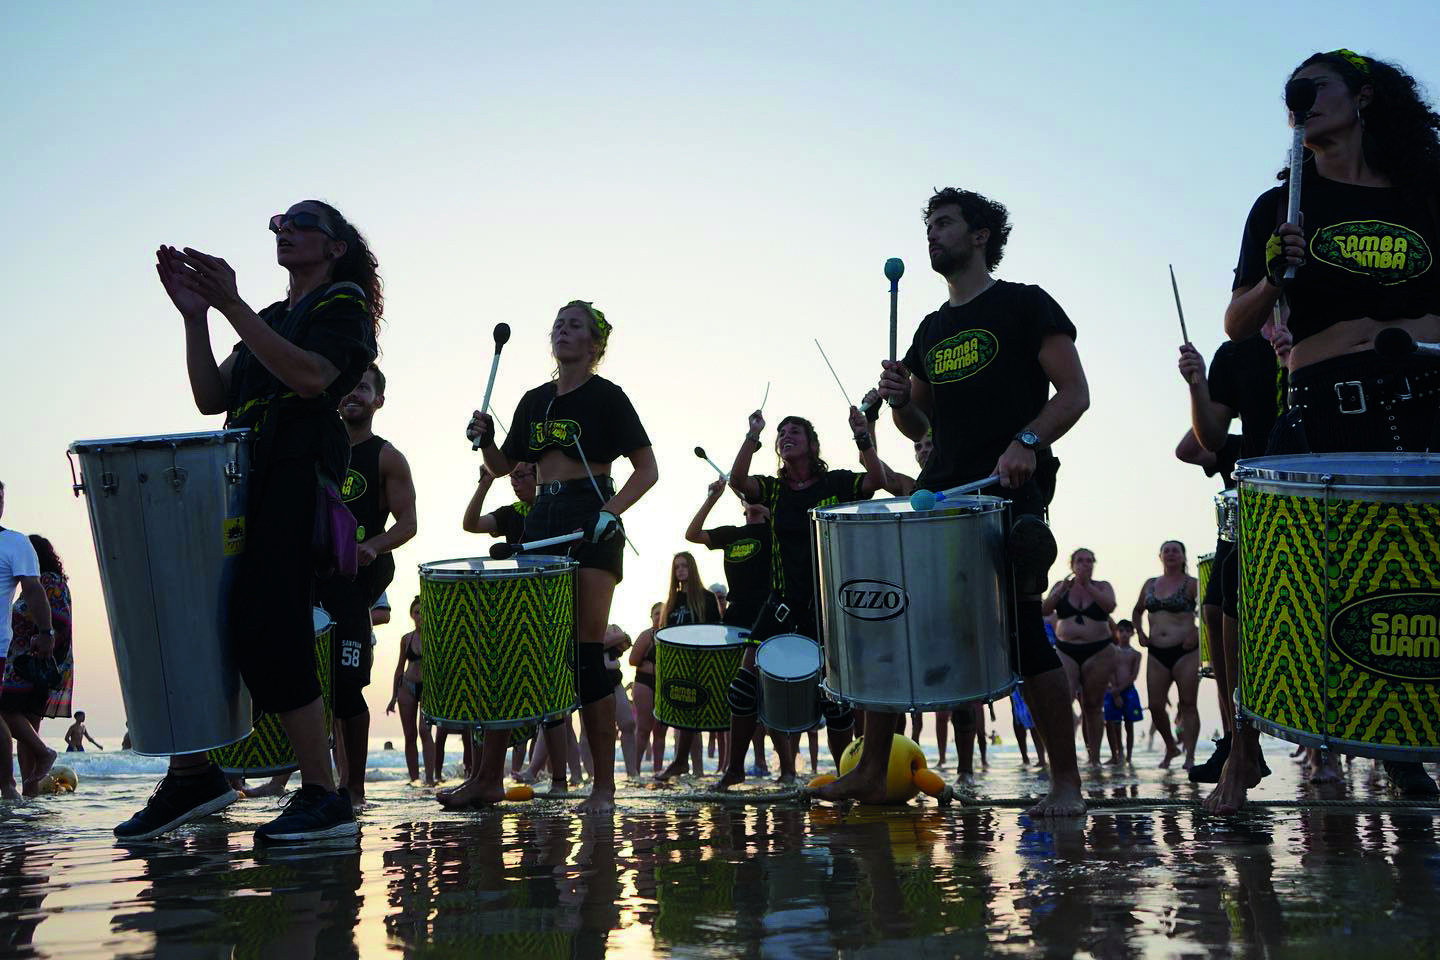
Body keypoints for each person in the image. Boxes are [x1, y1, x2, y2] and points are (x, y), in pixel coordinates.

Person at [820, 188, 1091, 816]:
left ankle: (1066, 783)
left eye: (944, 224)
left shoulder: (1024, 304)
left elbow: (1074, 394)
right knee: (893, 617)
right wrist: (900, 402)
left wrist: (1027, 440)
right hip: (942, 491)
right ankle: (867, 771)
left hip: (1010, 492)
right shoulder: (929, 329)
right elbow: (921, 428)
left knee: (1023, 634)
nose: (933, 235)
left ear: (980, 235)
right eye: (929, 227)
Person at [1217, 49, 1440, 809]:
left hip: (1421, 399)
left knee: (1414, 584)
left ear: (1364, 97)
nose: (1302, 101)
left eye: (1317, 87)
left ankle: (1409, 740)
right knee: (1282, 581)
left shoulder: (1422, 194)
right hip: (1321, 404)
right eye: (1294, 93)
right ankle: (1245, 749)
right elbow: (1238, 323)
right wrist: (1277, 275)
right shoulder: (1279, 206)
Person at [120, 200, 379, 843]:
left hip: (294, 473)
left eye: (300, 224)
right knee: (209, 623)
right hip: (241, 482)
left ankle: (323, 792)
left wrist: (231, 304)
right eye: (278, 225)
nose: (284, 233)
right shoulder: (270, 317)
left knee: (274, 620)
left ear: (335, 246)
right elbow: (212, 395)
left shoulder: (340, 306)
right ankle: (193, 775)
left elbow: (312, 377)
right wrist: (195, 317)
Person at [458, 299, 658, 814]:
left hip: (591, 515)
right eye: (558, 324)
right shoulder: (534, 399)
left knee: (587, 652)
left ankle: (604, 788)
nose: (563, 331)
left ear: (595, 344)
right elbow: (507, 465)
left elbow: (646, 469)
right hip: (542, 516)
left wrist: (610, 512)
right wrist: (484, 441)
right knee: (516, 647)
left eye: (575, 326)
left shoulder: (607, 396)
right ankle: (486, 780)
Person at [716, 406, 886, 788]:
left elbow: (876, 479)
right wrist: (753, 434)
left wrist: (863, 436)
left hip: (829, 604)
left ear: (811, 445)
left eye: (795, 431)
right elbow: (739, 480)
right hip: (780, 601)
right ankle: (734, 770)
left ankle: (846, 775)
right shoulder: (773, 490)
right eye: (781, 433)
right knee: (743, 685)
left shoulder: (836, 483)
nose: (786, 436)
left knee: (835, 696)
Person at [1177, 317, 1289, 784]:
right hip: (1249, 511)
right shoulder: (1237, 353)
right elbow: (1196, 445)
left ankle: (1331, 751)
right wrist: (1199, 387)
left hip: (1308, 491)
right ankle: (1238, 743)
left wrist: (1292, 361)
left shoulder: (1326, 329)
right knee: (1219, 600)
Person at [313, 362, 417, 805]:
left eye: (363, 387)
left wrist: (373, 546)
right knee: (312, 683)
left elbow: (408, 524)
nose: (353, 394)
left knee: (346, 685)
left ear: (378, 400)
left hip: (356, 580)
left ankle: (353, 789)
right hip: (313, 575)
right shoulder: (317, 447)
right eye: (348, 386)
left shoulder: (387, 456)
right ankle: (317, 782)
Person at [685, 478, 790, 783]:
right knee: (739, 694)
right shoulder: (732, 535)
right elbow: (692, 534)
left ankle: (787, 770)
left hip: (767, 613)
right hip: (735, 616)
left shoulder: (775, 532)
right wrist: (712, 497)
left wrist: (773, 515)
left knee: (769, 694)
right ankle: (735, 769)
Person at [0, 483, 58, 801]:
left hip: (16, 656)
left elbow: (35, 594)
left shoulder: (15, 544)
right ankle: (13, 790)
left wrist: (46, 633)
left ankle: (14, 789)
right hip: (14, 659)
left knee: (7, 714)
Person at [2, 534, 71, 794]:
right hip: (29, 666)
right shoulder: (43, 582)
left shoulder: (48, 582)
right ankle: (30, 794)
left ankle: (44, 754)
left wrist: (39, 637)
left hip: (31, 667)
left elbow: (59, 623)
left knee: (6, 713)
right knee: (26, 732)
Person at [1041, 548, 1120, 766]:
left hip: (1099, 650)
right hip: (1066, 649)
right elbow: (1045, 609)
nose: (1085, 564)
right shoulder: (1061, 586)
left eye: (1089, 561)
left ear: (1094, 564)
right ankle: (1064, 757)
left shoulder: (1102, 586)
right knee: (1063, 702)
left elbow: (1110, 606)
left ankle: (1093, 757)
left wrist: (1088, 586)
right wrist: (1061, 592)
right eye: (1080, 561)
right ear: (1072, 565)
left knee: (1093, 705)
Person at [1131, 541, 1201, 769]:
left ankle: (1190, 756)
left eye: (1176, 550)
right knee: (1155, 705)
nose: (1171, 554)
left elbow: (1209, 613)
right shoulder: (1150, 584)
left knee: (1188, 704)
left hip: (1185, 651)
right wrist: (1139, 631)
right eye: (1166, 550)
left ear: (1183, 556)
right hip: (1156, 652)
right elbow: (1137, 610)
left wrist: (1198, 633)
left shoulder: (1192, 584)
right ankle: (1171, 746)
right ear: (1160, 556)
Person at [656, 551, 721, 780]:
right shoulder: (671, 602)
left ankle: (699, 765)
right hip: (676, 666)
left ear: (692, 569)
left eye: (684, 566)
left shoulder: (706, 597)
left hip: (700, 663)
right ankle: (682, 763)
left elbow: (716, 631)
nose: (680, 570)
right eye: (677, 567)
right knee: (682, 718)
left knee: (695, 717)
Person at [386, 596, 435, 785]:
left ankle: (430, 779)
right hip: (407, 686)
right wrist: (393, 696)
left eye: (423, 611)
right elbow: (399, 667)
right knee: (410, 735)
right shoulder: (406, 639)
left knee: (425, 730)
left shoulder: (434, 637)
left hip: (428, 689)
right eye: (416, 612)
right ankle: (414, 779)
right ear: (411, 615)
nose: (420, 615)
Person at [629, 603, 667, 773]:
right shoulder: (646, 635)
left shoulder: (669, 636)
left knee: (660, 731)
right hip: (645, 683)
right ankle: (634, 771)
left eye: (662, 613)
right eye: (656, 613)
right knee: (643, 729)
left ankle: (658, 772)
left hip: (664, 684)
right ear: (651, 616)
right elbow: (633, 660)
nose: (659, 616)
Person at [1102, 620, 1144, 764]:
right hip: (1112, 690)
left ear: (1132, 633)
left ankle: (1129, 757)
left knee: (1129, 724)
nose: (1124, 634)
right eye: (1121, 631)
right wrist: (1114, 691)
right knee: (1113, 723)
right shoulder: (1112, 651)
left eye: (1127, 631)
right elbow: (1110, 670)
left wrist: (1118, 691)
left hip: (1128, 691)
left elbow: (1133, 676)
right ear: (1116, 633)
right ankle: (1117, 754)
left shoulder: (1136, 654)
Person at [603, 625, 640, 778]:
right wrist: (616, 638)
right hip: (593, 678)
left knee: (628, 723)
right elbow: (598, 643)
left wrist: (617, 637)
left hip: (614, 679)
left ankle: (632, 772)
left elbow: (626, 641)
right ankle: (593, 775)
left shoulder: (612, 627)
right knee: (593, 730)